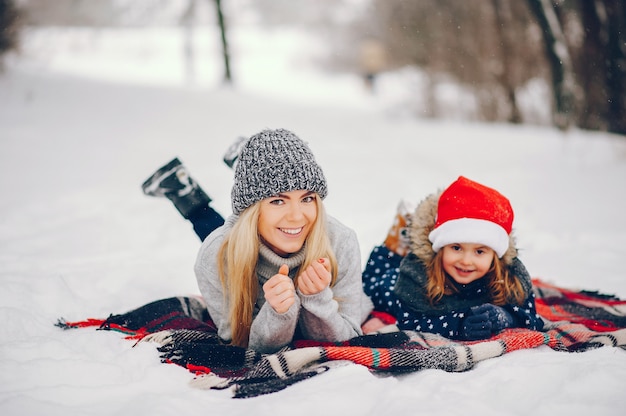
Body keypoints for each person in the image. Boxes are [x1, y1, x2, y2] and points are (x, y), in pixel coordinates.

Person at [142, 129, 374, 353]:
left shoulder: (340, 242)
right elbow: (238, 344)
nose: (297, 215)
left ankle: (244, 159)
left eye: (308, 198)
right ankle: (200, 182)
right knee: (230, 242)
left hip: (257, 222)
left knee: (272, 224)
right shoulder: (214, 255)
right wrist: (277, 313)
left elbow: (349, 339)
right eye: (277, 201)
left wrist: (318, 299)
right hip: (241, 236)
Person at [362, 176, 544, 340]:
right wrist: (458, 325)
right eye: (456, 248)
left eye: (479, 251)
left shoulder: (511, 274)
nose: (466, 261)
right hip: (397, 283)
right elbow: (409, 322)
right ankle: (399, 238)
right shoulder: (416, 275)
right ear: (441, 248)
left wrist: (504, 317)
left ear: (495, 255)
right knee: (373, 284)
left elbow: (532, 318)